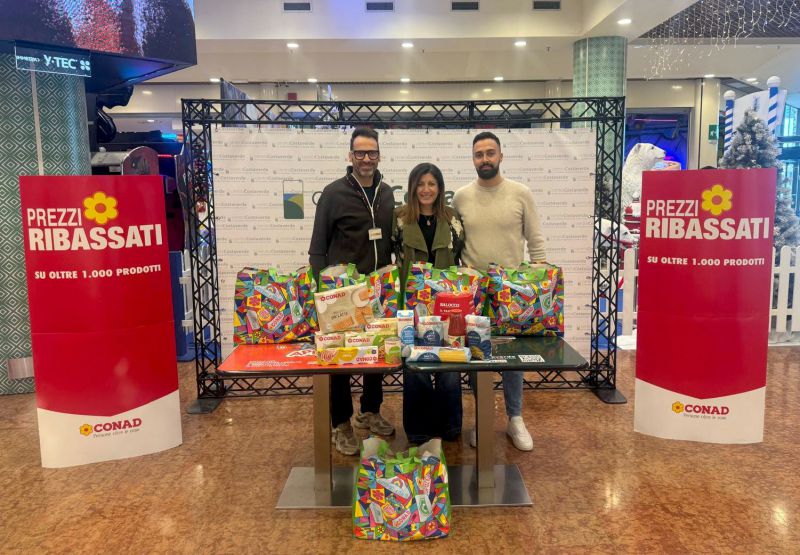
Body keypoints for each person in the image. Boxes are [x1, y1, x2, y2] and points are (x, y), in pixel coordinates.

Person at [452, 131, 546, 452]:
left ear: (501, 156)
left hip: (512, 292)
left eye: (490, 153)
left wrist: (539, 279)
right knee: (478, 356)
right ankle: (482, 418)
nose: (485, 159)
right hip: (475, 293)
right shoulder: (461, 197)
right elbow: (455, 243)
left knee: (513, 358)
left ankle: (515, 418)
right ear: (473, 159)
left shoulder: (521, 193)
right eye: (479, 154)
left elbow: (536, 241)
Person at [308, 127, 395, 455]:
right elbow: (317, 248)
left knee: (377, 353)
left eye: (372, 152)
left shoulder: (387, 193)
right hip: (341, 294)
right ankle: (341, 423)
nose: (366, 158)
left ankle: (369, 411)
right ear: (350, 156)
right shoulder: (333, 194)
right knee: (339, 362)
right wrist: (321, 295)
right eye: (360, 152)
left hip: (376, 290)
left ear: (379, 155)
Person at [391, 162, 465, 445]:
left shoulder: (452, 218)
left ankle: (450, 424)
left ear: (440, 188)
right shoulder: (400, 218)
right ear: (412, 188)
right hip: (412, 305)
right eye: (420, 184)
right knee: (415, 363)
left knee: (449, 364)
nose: (426, 189)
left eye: (431, 184)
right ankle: (418, 427)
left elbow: (459, 253)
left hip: (446, 304)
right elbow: (392, 253)